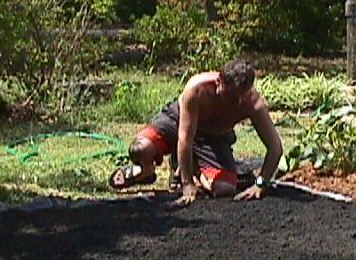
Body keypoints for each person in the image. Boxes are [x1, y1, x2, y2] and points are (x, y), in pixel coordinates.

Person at [110, 58, 283, 206]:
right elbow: (184, 139)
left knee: (225, 189)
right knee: (140, 149)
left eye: (241, 97)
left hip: (214, 138)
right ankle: (145, 171)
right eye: (231, 98)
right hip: (180, 122)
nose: (237, 103)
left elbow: (275, 148)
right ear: (219, 82)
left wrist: (260, 184)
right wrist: (187, 185)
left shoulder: (253, 104)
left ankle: (194, 168)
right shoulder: (197, 90)